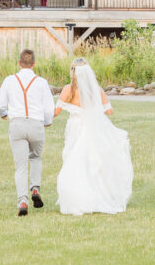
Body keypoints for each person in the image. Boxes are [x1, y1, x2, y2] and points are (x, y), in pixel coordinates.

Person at [53, 58, 133, 215]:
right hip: (91, 128)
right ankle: (95, 196)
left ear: (73, 72)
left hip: (76, 127)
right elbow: (109, 111)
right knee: (91, 162)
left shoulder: (68, 90)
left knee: (74, 159)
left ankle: (78, 198)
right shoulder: (97, 90)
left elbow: (56, 112)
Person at [0, 49, 55, 216]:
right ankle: (35, 188)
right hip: (36, 124)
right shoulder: (41, 82)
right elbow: (49, 108)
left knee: (20, 166)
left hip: (17, 124)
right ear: (34, 64)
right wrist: (47, 122)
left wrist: (5, 115)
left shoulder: (9, 80)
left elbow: (0, 105)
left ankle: (22, 200)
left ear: (19, 63)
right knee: (36, 157)